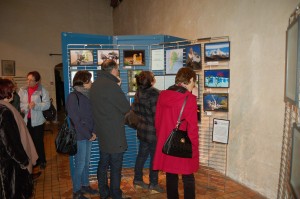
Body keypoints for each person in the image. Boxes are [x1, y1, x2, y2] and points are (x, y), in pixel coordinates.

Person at [153, 67, 199, 199]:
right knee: (188, 177)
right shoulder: (189, 99)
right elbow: (193, 129)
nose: (193, 85)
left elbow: (157, 121)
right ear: (190, 80)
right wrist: (194, 148)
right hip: (183, 144)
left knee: (171, 175)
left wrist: (162, 139)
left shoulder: (163, 94)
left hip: (168, 142)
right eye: (193, 82)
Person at [90, 59, 130, 199]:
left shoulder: (94, 85)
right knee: (115, 166)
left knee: (103, 163)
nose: (118, 72)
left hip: (102, 132)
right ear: (113, 70)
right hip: (114, 133)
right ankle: (115, 193)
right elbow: (126, 108)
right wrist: (118, 86)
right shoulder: (112, 86)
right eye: (117, 69)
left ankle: (103, 192)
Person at [0, 78, 37, 198]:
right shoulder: (4, 111)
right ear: (6, 91)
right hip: (8, 164)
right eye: (12, 90)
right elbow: (10, 142)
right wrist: (24, 161)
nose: (14, 93)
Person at [66, 71, 98, 199]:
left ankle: (85, 185)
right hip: (80, 135)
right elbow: (75, 119)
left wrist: (94, 131)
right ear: (83, 82)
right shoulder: (73, 96)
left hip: (90, 134)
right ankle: (76, 191)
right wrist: (88, 134)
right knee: (80, 164)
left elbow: (94, 115)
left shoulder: (89, 95)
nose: (91, 83)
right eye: (89, 80)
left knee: (86, 163)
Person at [131, 71, 164, 193]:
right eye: (153, 77)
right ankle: (153, 183)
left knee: (141, 156)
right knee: (155, 158)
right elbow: (157, 116)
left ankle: (137, 179)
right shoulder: (155, 94)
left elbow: (134, 110)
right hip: (153, 132)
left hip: (142, 130)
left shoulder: (138, 92)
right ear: (150, 81)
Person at [19, 71, 50, 170]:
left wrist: (36, 106)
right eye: (27, 79)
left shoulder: (42, 91)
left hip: (38, 122)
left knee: (38, 142)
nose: (28, 82)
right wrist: (27, 106)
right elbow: (19, 105)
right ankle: (34, 161)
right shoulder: (22, 90)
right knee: (29, 142)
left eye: (31, 80)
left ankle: (42, 160)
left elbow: (47, 105)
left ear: (37, 81)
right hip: (26, 121)